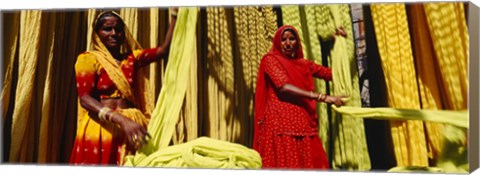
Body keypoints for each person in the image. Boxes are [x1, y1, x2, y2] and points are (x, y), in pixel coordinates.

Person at [70, 9, 177, 165]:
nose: (114, 33)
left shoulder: (132, 58)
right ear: (97, 34)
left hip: (133, 125)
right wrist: (120, 120)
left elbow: (163, 50)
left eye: (118, 30)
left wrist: (175, 16)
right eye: (107, 29)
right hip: (103, 127)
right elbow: (85, 99)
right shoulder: (88, 59)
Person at [253, 25, 346, 169]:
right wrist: (322, 97)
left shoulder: (304, 64)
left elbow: (332, 74)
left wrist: (339, 44)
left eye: (292, 39)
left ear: (297, 42)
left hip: (303, 123)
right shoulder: (270, 60)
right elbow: (283, 87)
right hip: (280, 125)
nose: (288, 43)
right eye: (283, 40)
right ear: (278, 42)